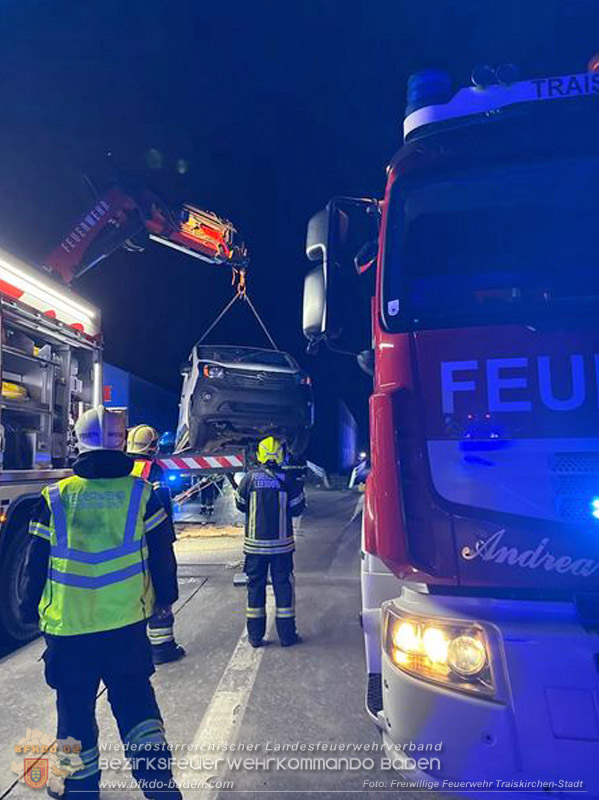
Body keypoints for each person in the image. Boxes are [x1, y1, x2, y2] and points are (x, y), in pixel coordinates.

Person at [20, 406, 181, 799]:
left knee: (74, 716)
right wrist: (165, 599)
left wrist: (27, 611)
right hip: (126, 628)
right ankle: (161, 790)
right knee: (139, 712)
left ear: (80, 442)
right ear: (120, 443)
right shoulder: (143, 494)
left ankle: (79, 791)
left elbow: (33, 564)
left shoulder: (55, 497)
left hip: (70, 633)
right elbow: (163, 558)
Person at [235, 435, 306, 647]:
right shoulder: (288, 480)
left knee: (255, 588)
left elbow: (240, 504)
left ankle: (255, 637)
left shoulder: (249, 478)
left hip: (254, 548)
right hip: (282, 548)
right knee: (283, 587)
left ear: (260, 455)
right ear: (281, 455)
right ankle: (287, 636)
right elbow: (297, 508)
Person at [127, 424, 186, 665]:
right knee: (162, 588)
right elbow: (162, 504)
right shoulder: (155, 471)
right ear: (153, 447)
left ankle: (135, 646)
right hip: (156, 539)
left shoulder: (123, 468)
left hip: (129, 542)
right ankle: (162, 646)